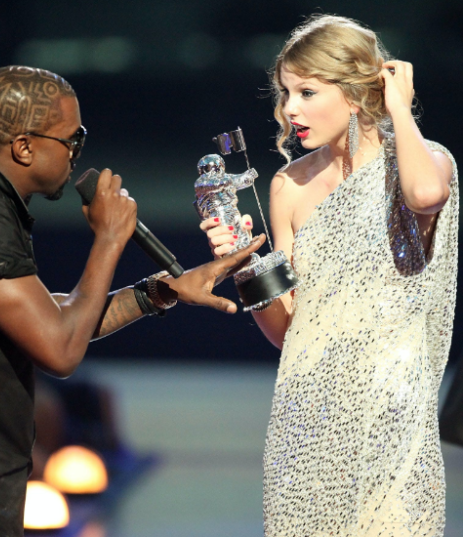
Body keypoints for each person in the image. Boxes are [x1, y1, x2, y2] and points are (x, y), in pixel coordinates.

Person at [0, 65, 265, 537]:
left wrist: (158, 291)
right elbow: (59, 348)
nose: (79, 154)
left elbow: (49, 315)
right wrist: (108, 238)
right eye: (71, 140)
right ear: (24, 146)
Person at [201, 15, 458, 537]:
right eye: (285, 92)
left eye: (307, 91)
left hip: (393, 409)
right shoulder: (288, 186)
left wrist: (399, 110)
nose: (289, 108)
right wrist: (244, 265)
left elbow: (425, 197)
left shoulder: (426, 162)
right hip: (307, 413)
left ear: (356, 91)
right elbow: (286, 329)